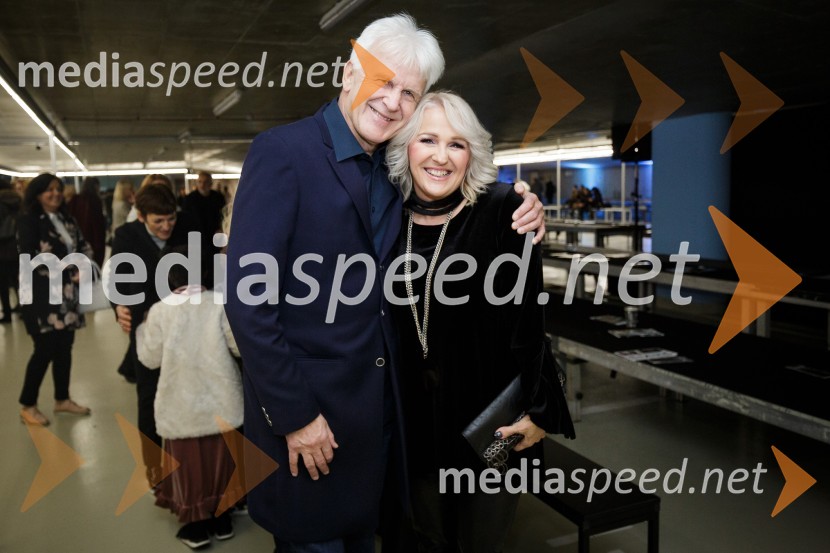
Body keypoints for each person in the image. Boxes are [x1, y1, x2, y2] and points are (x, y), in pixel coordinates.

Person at [225, 14, 545, 552]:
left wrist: (519, 202)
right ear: (349, 74)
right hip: (312, 429)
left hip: (382, 431)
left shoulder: (392, 174)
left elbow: (453, 186)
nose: (393, 101)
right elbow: (249, 305)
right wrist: (296, 417)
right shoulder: (284, 153)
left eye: (408, 92)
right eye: (383, 81)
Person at [386, 91, 574, 553]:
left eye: (457, 144)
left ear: (473, 154)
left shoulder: (504, 212)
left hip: (489, 427)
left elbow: (530, 324)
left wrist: (541, 413)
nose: (441, 156)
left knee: (480, 541)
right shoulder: (385, 220)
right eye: (427, 139)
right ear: (404, 146)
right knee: (426, 538)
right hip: (412, 425)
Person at [136, 251, 243, 550]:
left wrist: (142, 328)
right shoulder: (219, 304)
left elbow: (150, 359)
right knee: (221, 463)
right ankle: (223, 521)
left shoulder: (159, 310)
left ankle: (196, 529)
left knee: (189, 468)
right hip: (221, 401)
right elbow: (237, 347)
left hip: (180, 406)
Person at [111, 183, 195, 482]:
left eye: (170, 218)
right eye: (158, 221)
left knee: (187, 394)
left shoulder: (189, 229)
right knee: (148, 398)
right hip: (147, 329)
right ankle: (153, 468)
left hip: (188, 328)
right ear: (142, 217)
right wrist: (118, 306)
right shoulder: (125, 236)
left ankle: (190, 465)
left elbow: (205, 273)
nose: (166, 226)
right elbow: (118, 282)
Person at [17, 173, 92, 425]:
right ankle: (28, 404)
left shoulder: (65, 218)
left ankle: (62, 399)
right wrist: (71, 272)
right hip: (40, 295)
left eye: (58, 189)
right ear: (37, 193)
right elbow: (30, 256)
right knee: (45, 349)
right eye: (49, 190)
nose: (56, 194)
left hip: (67, 296)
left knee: (64, 348)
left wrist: (85, 266)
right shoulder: (28, 220)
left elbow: (83, 246)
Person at [68, 176, 107, 267]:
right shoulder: (95, 201)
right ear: (96, 186)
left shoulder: (75, 200)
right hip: (93, 240)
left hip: (77, 240)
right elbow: (98, 226)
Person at [182, 171, 225, 252]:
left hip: (215, 237)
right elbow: (185, 219)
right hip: (196, 237)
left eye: (205, 182)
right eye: (200, 182)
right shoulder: (189, 199)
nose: (202, 185)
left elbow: (223, 216)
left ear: (210, 183)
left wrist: (221, 228)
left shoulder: (218, 198)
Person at [0, 176, 22, 323]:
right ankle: (23, 308)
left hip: (2, 248)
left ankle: (7, 313)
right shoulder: (20, 201)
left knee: (2, 282)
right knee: (19, 280)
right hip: (18, 247)